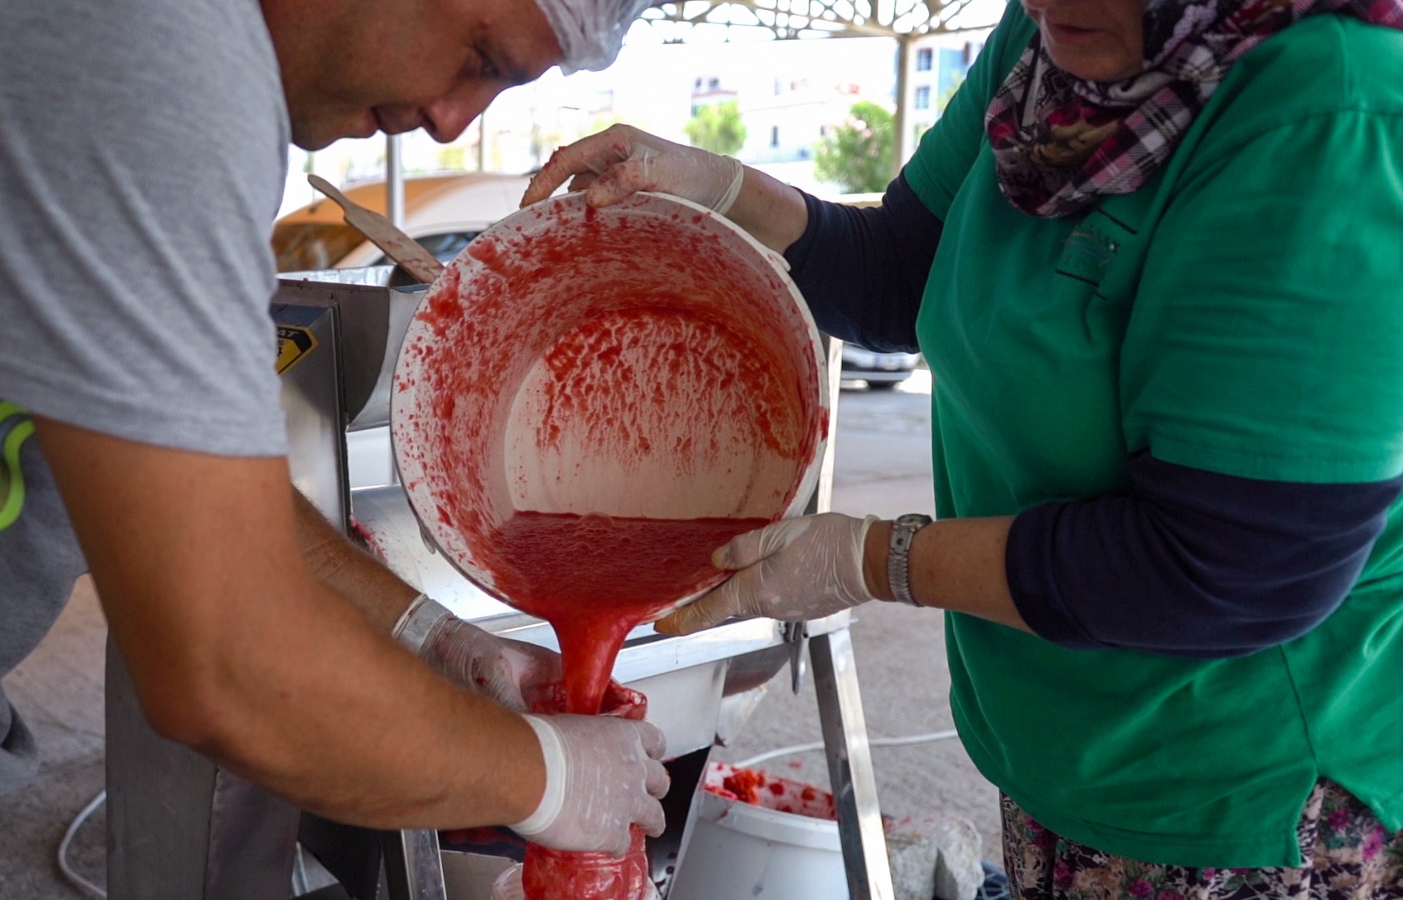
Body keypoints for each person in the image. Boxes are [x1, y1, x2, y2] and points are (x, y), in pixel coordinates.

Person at [522, 0, 1403, 894]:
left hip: (1245, 790)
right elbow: (905, 269)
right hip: (1057, 749)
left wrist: (878, 558)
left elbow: (1233, 566)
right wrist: (716, 186)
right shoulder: (1048, 51)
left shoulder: (1326, 113)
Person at [0, 0, 668, 896]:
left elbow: (198, 487)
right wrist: (549, 778)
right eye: (480, 57)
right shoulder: (151, 44)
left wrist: (433, 637)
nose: (453, 121)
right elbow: (224, 664)